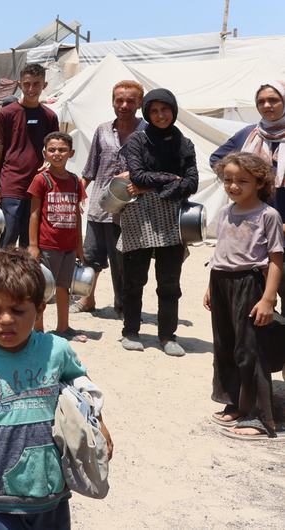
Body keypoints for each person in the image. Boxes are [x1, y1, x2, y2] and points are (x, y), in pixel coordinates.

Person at [0, 248, 112, 528]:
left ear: (40, 308)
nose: (6, 319)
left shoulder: (55, 350)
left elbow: (83, 388)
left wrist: (98, 424)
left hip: (51, 490)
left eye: (18, 310)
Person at [206, 152, 285, 440]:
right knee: (225, 346)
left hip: (250, 285)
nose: (233, 186)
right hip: (221, 282)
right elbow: (220, 252)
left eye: (242, 181)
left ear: (259, 182)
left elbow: (276, 259)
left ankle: (261, 417)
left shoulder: (268, 215)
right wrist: (209, 286)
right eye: (228, 180)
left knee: (251, 350)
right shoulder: (226, 212)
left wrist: (268, 298)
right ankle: (236, 403)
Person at [118, 89, 199, 356]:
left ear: (174, 111)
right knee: (134, 279)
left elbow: (193, 182)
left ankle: (167, 335)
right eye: (154, 110)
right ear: (147, 114)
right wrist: (172, 179)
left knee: (169, 282)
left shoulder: (184, 143)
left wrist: (166, 188)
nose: (161, 115)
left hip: (172, 219)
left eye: (165, 109)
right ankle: (130, 331)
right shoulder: (137, 141)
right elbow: (138, 176)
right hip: (139, 216)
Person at [209, 80, 285, 312]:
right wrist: (240, 184)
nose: (267, 105)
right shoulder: (248, 134)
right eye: (261, 101)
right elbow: (217, 160)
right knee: (257, 290)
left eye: (273, 99)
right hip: (256, 224)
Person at [73, 80, 146, 316]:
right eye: (119, 100)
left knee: (123, 261)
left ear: (139, 103)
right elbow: (90, 168)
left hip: (130, 209)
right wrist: (76, 192)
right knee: (90, 257)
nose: (124, 105)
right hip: (98, 206)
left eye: (130, 101)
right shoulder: (102, 130)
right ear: (113, 102)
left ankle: (123, 305)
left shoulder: (147, 132)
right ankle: (87, 300)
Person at [0, 64, 60, 248]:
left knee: (31, 243)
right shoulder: (6, 113)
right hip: (12, 184)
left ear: (44, 85)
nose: (31, 89)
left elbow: (55, 150)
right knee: (8, 239)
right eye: (27, 84)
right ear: (20, 84)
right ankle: (4, 278)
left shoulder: (50, 117)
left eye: (36, 84)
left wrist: (49, 165)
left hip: (38, 186)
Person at [27, 132, 88, 342]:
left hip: (69, 246)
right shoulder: (41, 179)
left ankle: (63, 327)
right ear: (45, 153)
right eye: (52, 150)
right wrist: (33, 245)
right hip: (47, 245)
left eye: (62, 150)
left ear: (71, 153)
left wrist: (79, 246)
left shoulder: (74, 181)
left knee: (64, 288)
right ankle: (38, 330)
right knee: (43, 289)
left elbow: (77, 216)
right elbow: (34, 214)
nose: (57, 154)